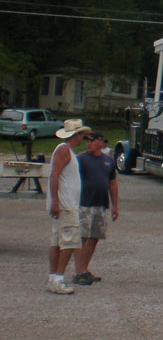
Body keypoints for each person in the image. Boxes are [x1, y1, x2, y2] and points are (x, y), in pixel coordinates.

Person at [46, 119, 91, 295]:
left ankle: (53, 278)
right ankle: (58, 278)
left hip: (66, 203)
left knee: (58, 241)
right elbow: (54, 175)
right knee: (69, 242)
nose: (83, 138)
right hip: (66, 204)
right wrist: (56, 201)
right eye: (81, 134)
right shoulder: (64, 150)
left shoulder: (68, 151)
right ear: (76, 135)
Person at [72, 131, 119, 286]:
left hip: (101, 204)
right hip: (84, 204)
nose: (89, 143)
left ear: (100, 142)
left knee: (94, 238)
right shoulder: (81, 159)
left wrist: (115, 206)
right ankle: (78, 271)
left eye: (92, 141)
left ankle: (84, 270)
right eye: (87, 141)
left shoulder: (108, 161)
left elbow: (112, 183)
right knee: (83, 237)